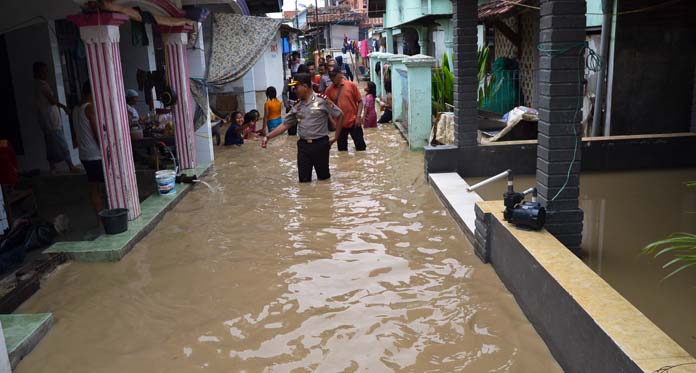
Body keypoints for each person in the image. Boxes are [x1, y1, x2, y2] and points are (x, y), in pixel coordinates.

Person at [261, 73, 344, 183]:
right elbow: (285, 124)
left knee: (324, 180)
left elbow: (340, 115)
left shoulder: (322, 100)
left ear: (305, 86)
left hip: (321, 145)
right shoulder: (297, 105)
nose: (294, 90)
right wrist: (268, 137)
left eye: (296, 87)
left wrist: (336, 137)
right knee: (304, 181)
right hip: (303, 146)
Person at [32, 61, 78, 174]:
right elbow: (52, 100)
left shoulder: (38, 84)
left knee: (50, 144)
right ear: (39, 72)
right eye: (45, 70)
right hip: (50, 120)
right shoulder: (42, 85)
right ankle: (71, 166)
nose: (47, 73)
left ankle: (53, 168)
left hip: (46, 120)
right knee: (61, 142)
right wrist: (64, 107)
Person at [72, 81, 104, 217]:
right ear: (92, 92)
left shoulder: (75, 109)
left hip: (84, 154)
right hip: (94, 154)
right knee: (97, 189)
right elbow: (97, 133)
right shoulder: (89, 108)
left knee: (94, 187)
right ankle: (103, 220)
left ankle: (100, 219)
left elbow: (75, 133)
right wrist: (104, 148)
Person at [324, 70, 366, 151]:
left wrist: (358, 117)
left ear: (340, 75)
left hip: (354, 121)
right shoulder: (329, 90)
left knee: (361, 148)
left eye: (334, 76)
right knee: (342, 150)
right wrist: (332, 121)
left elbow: (360, 101)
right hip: (340, 124)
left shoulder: (351, 85)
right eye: (331, 77)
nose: (333, 79)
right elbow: (327, 108)